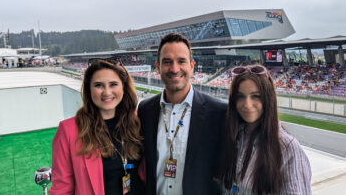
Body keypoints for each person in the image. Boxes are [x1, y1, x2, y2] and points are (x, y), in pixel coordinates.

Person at [137, 33, 227, 195]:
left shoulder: (218, 112)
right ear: (157, 67)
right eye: (167, 62)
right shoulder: (145, 109)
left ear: (192, 66)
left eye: (181, 61)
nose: (174, 68)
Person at [49, 60, 144, 195]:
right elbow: (61, 189)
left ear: (123, 87)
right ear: (89, 89)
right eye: (98, 85)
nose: (107, 92)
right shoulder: (69, 131)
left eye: (113, 84)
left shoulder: (138, 119)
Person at [218, 65, 311, 195]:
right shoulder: (233, 136)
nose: (247, 104)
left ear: (267, 99)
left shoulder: (287, 147)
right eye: (240, 96)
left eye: (255, 96)